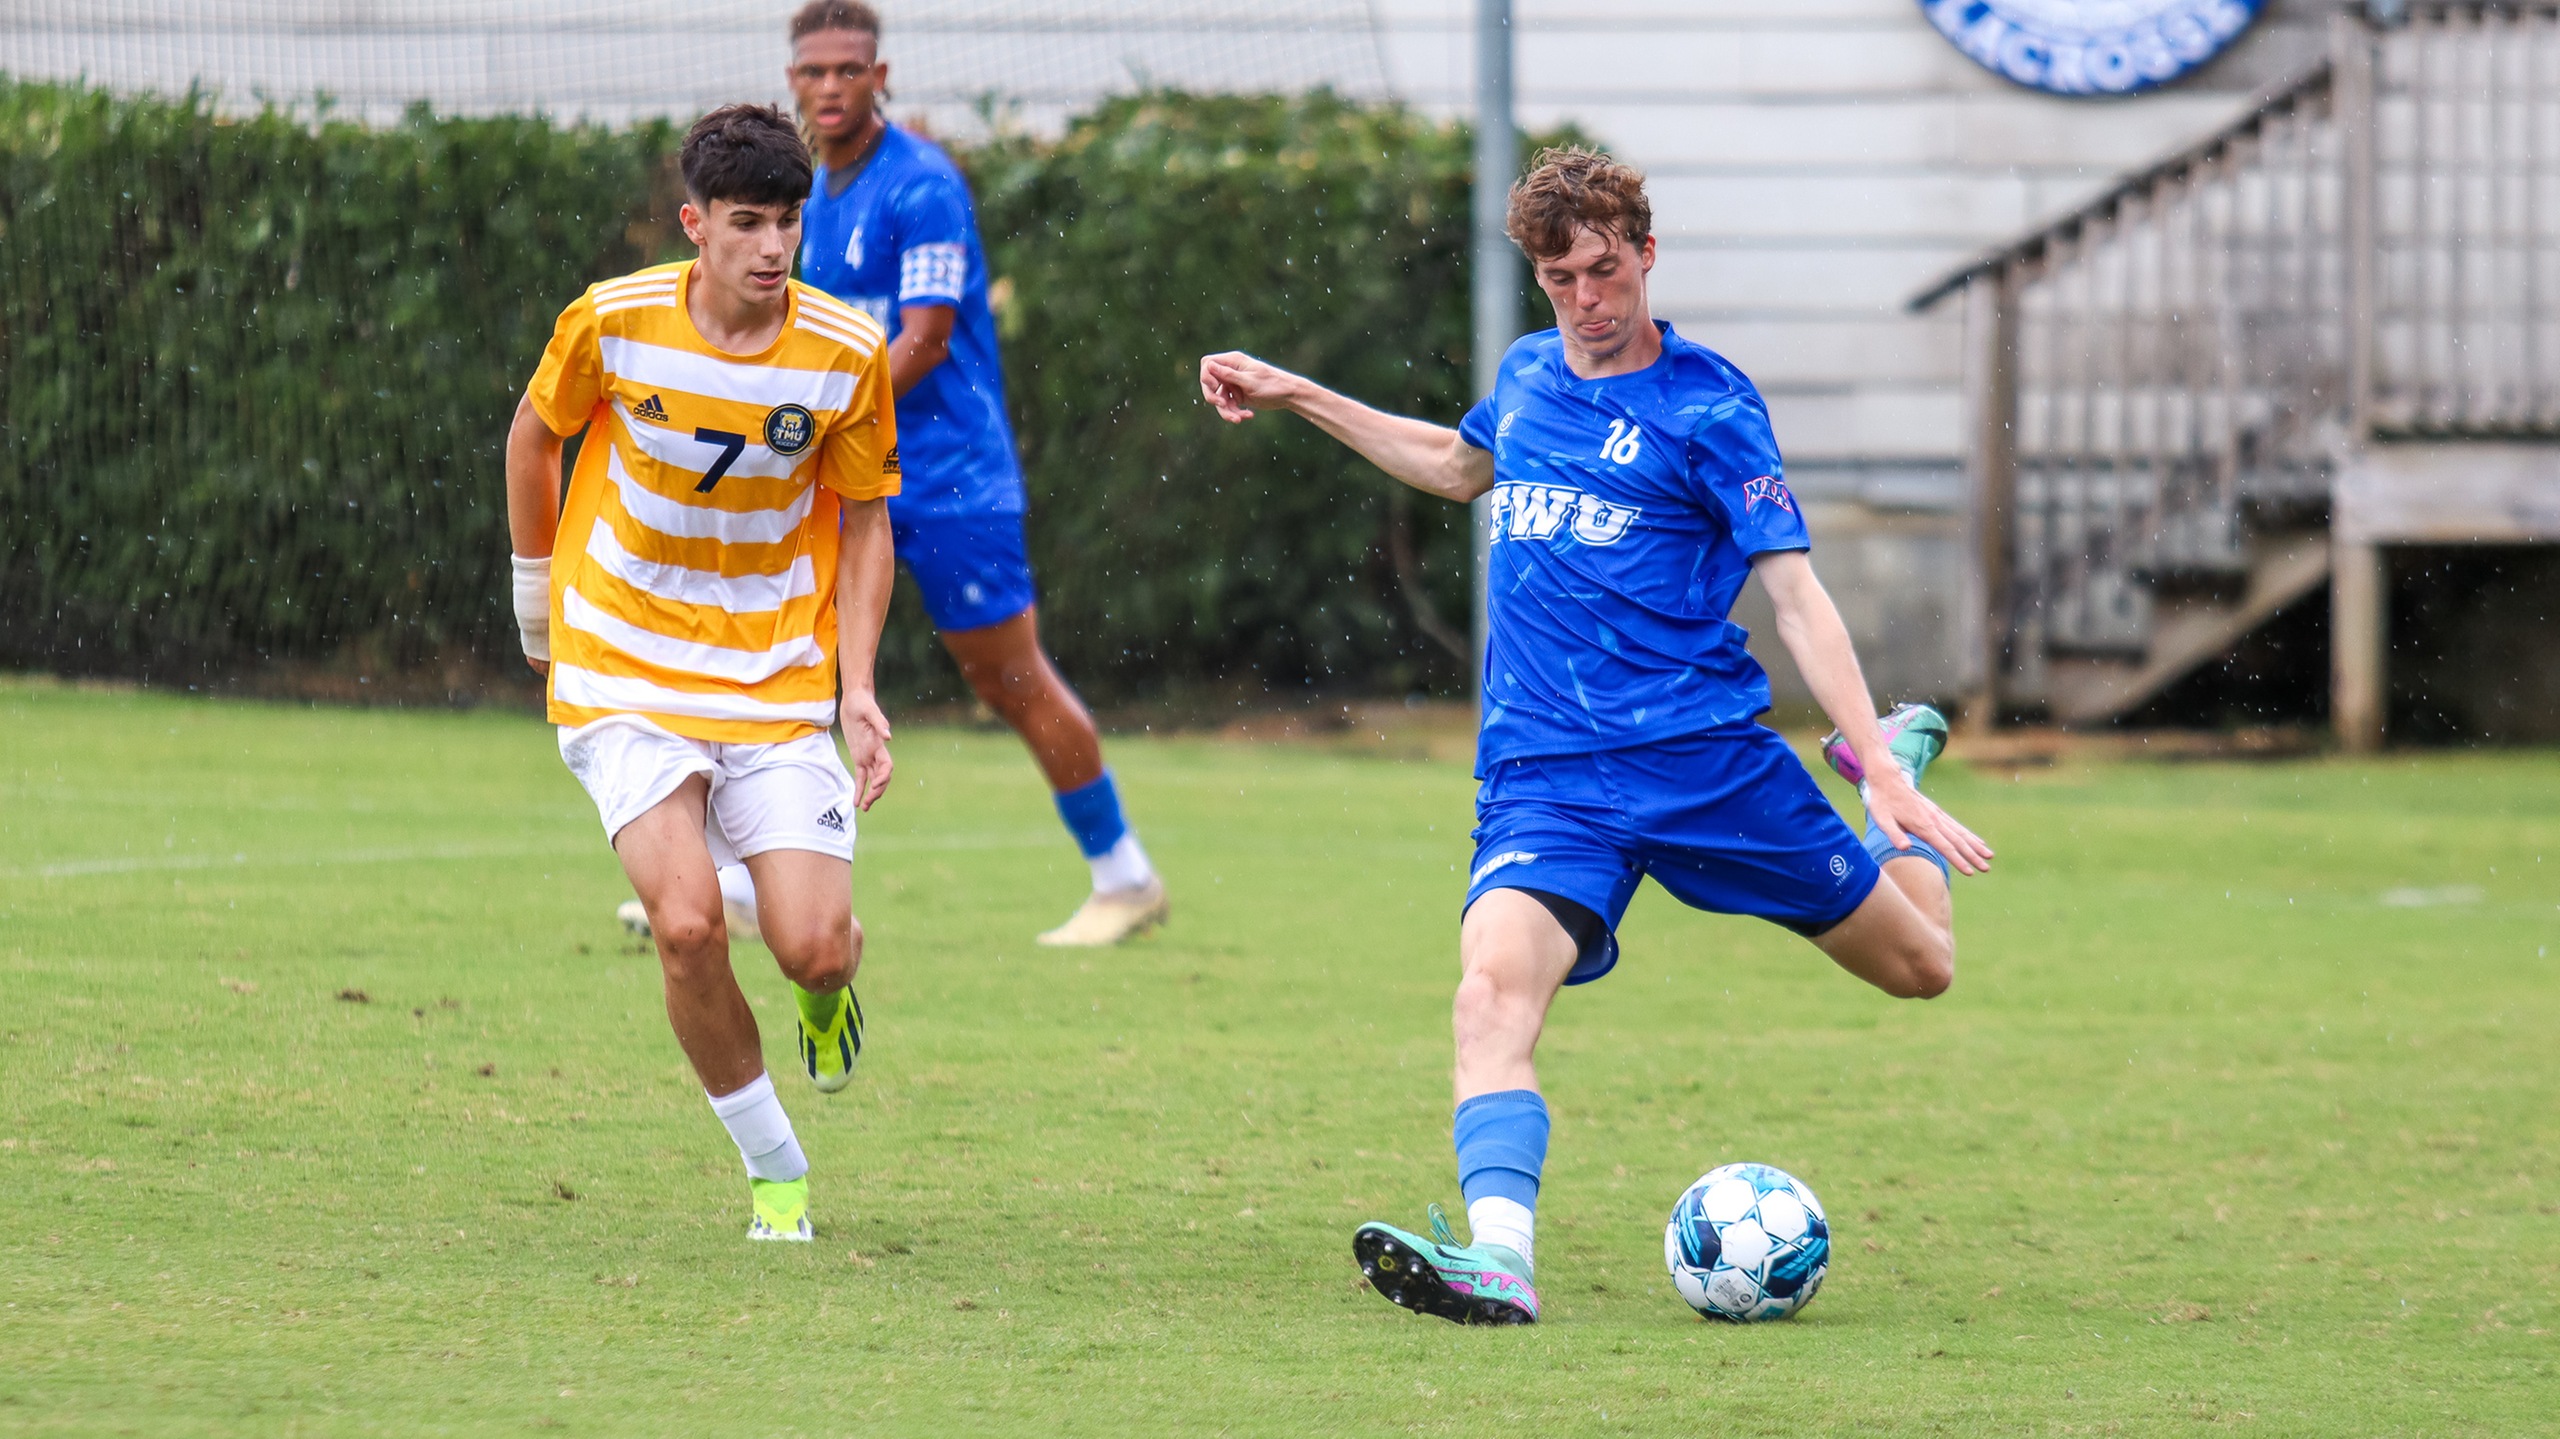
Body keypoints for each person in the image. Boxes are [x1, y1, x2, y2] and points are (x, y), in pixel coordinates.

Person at [1197, 148, 1994, 1324]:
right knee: (1489, 995)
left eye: (1606, 269)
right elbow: (1453, 463)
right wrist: (1297, 391)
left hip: (1705, 764)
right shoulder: (1525, 380)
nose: (1588, 297)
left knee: (1920, 965)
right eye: (1561, 276)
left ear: (1646, 255)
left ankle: (1891, 788)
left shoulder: (1710, 407)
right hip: (1546, 777)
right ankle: (1501, 1263)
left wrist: (1874, 757)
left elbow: (1795, 595)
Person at [507, 104, 899, 1243]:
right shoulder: (612, 322)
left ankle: (826, 998)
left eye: (787, 222)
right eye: (746, 224)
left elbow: (867, 522)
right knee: (685, 924)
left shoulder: (844, 352)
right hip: (620, 664)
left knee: (813, 943)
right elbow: (536, 436)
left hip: (774, 681)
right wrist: (536, 594)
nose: (772, 248)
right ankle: (776, 1171)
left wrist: (857, 687)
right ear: (695, 225)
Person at [753, 0, 1166, 947]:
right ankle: (749, 877)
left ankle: (1124, 874)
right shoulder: (802, 195)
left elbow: (926, 339)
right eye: (812, 71)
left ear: (880, 78)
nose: (828, 87)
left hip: (946, 478)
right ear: (792, 80)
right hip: (846, 470)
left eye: (847, 70)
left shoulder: (922, 186)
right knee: (787, 664)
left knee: (1009, 677)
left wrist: (815, 423)